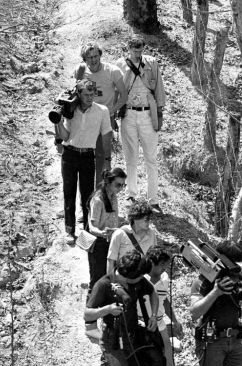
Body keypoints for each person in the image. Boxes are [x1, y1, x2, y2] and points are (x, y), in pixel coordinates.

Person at [133, 246, 197, 366]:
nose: (163, 269)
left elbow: (165, 300)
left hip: (160, 327)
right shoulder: (139, 279)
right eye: (161, 265)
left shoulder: (163, 280)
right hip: (141, 328)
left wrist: (175, 321)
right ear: (151, 263)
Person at [54, 78, 113, 245]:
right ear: (78, 94)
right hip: (70, 154)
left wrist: (107, 160)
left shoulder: (102, 111)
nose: (89, 97)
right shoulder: (70, 110)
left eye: (91, 94)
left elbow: (106, 137)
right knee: (69, 193)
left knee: (87, 195)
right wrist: (58, 123)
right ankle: (69, 230)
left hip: (88, 155)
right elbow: (65, 136)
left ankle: (87, 231)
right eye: (86, 94)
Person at [115, 34, 167, 215]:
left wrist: (159, 111)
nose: (137, 53)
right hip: (129, 113)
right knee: (131, 156)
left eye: (140, 50)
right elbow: (116, 90)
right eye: (134, 50)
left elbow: (159, 87)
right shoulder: (120, 65)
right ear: (128, 49)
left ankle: (153, 199)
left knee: (151, 158)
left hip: (147, 113)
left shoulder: (151, 63)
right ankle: (131, 194)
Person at [85, 167, 127, 366]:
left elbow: (115, 219)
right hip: (99, 243)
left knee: (109, 280)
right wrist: (104, 233)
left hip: (110, 242)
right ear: (109, 182)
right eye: (118, 184)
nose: (120, 189)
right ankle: (90, 316)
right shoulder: (99, 199)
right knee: (97, 280)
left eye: (123, 185)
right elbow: (92, 225)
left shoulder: (112, 197)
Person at [73, 42, 127, 187]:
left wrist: (111, 111)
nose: (93, 60)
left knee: (102, 157)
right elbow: (76, 94)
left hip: (105, 118)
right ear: (84, 59)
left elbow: (124, 96)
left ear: (100, 55)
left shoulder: (113, 71)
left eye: (96, 56)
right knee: (85, 156)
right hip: (86, 118)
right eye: (89, 57)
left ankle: (100, 191)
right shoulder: (80, 71)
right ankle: (86, 192)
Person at [106, 198, 157, 275]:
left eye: (149, 219)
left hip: (142, 279)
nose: (148, 222)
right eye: (146, 219)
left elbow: (154, 260)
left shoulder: (151, 235)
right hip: (123, 279)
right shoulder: (120, 234)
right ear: (136, 218)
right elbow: (111, 260)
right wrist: (112, 283)